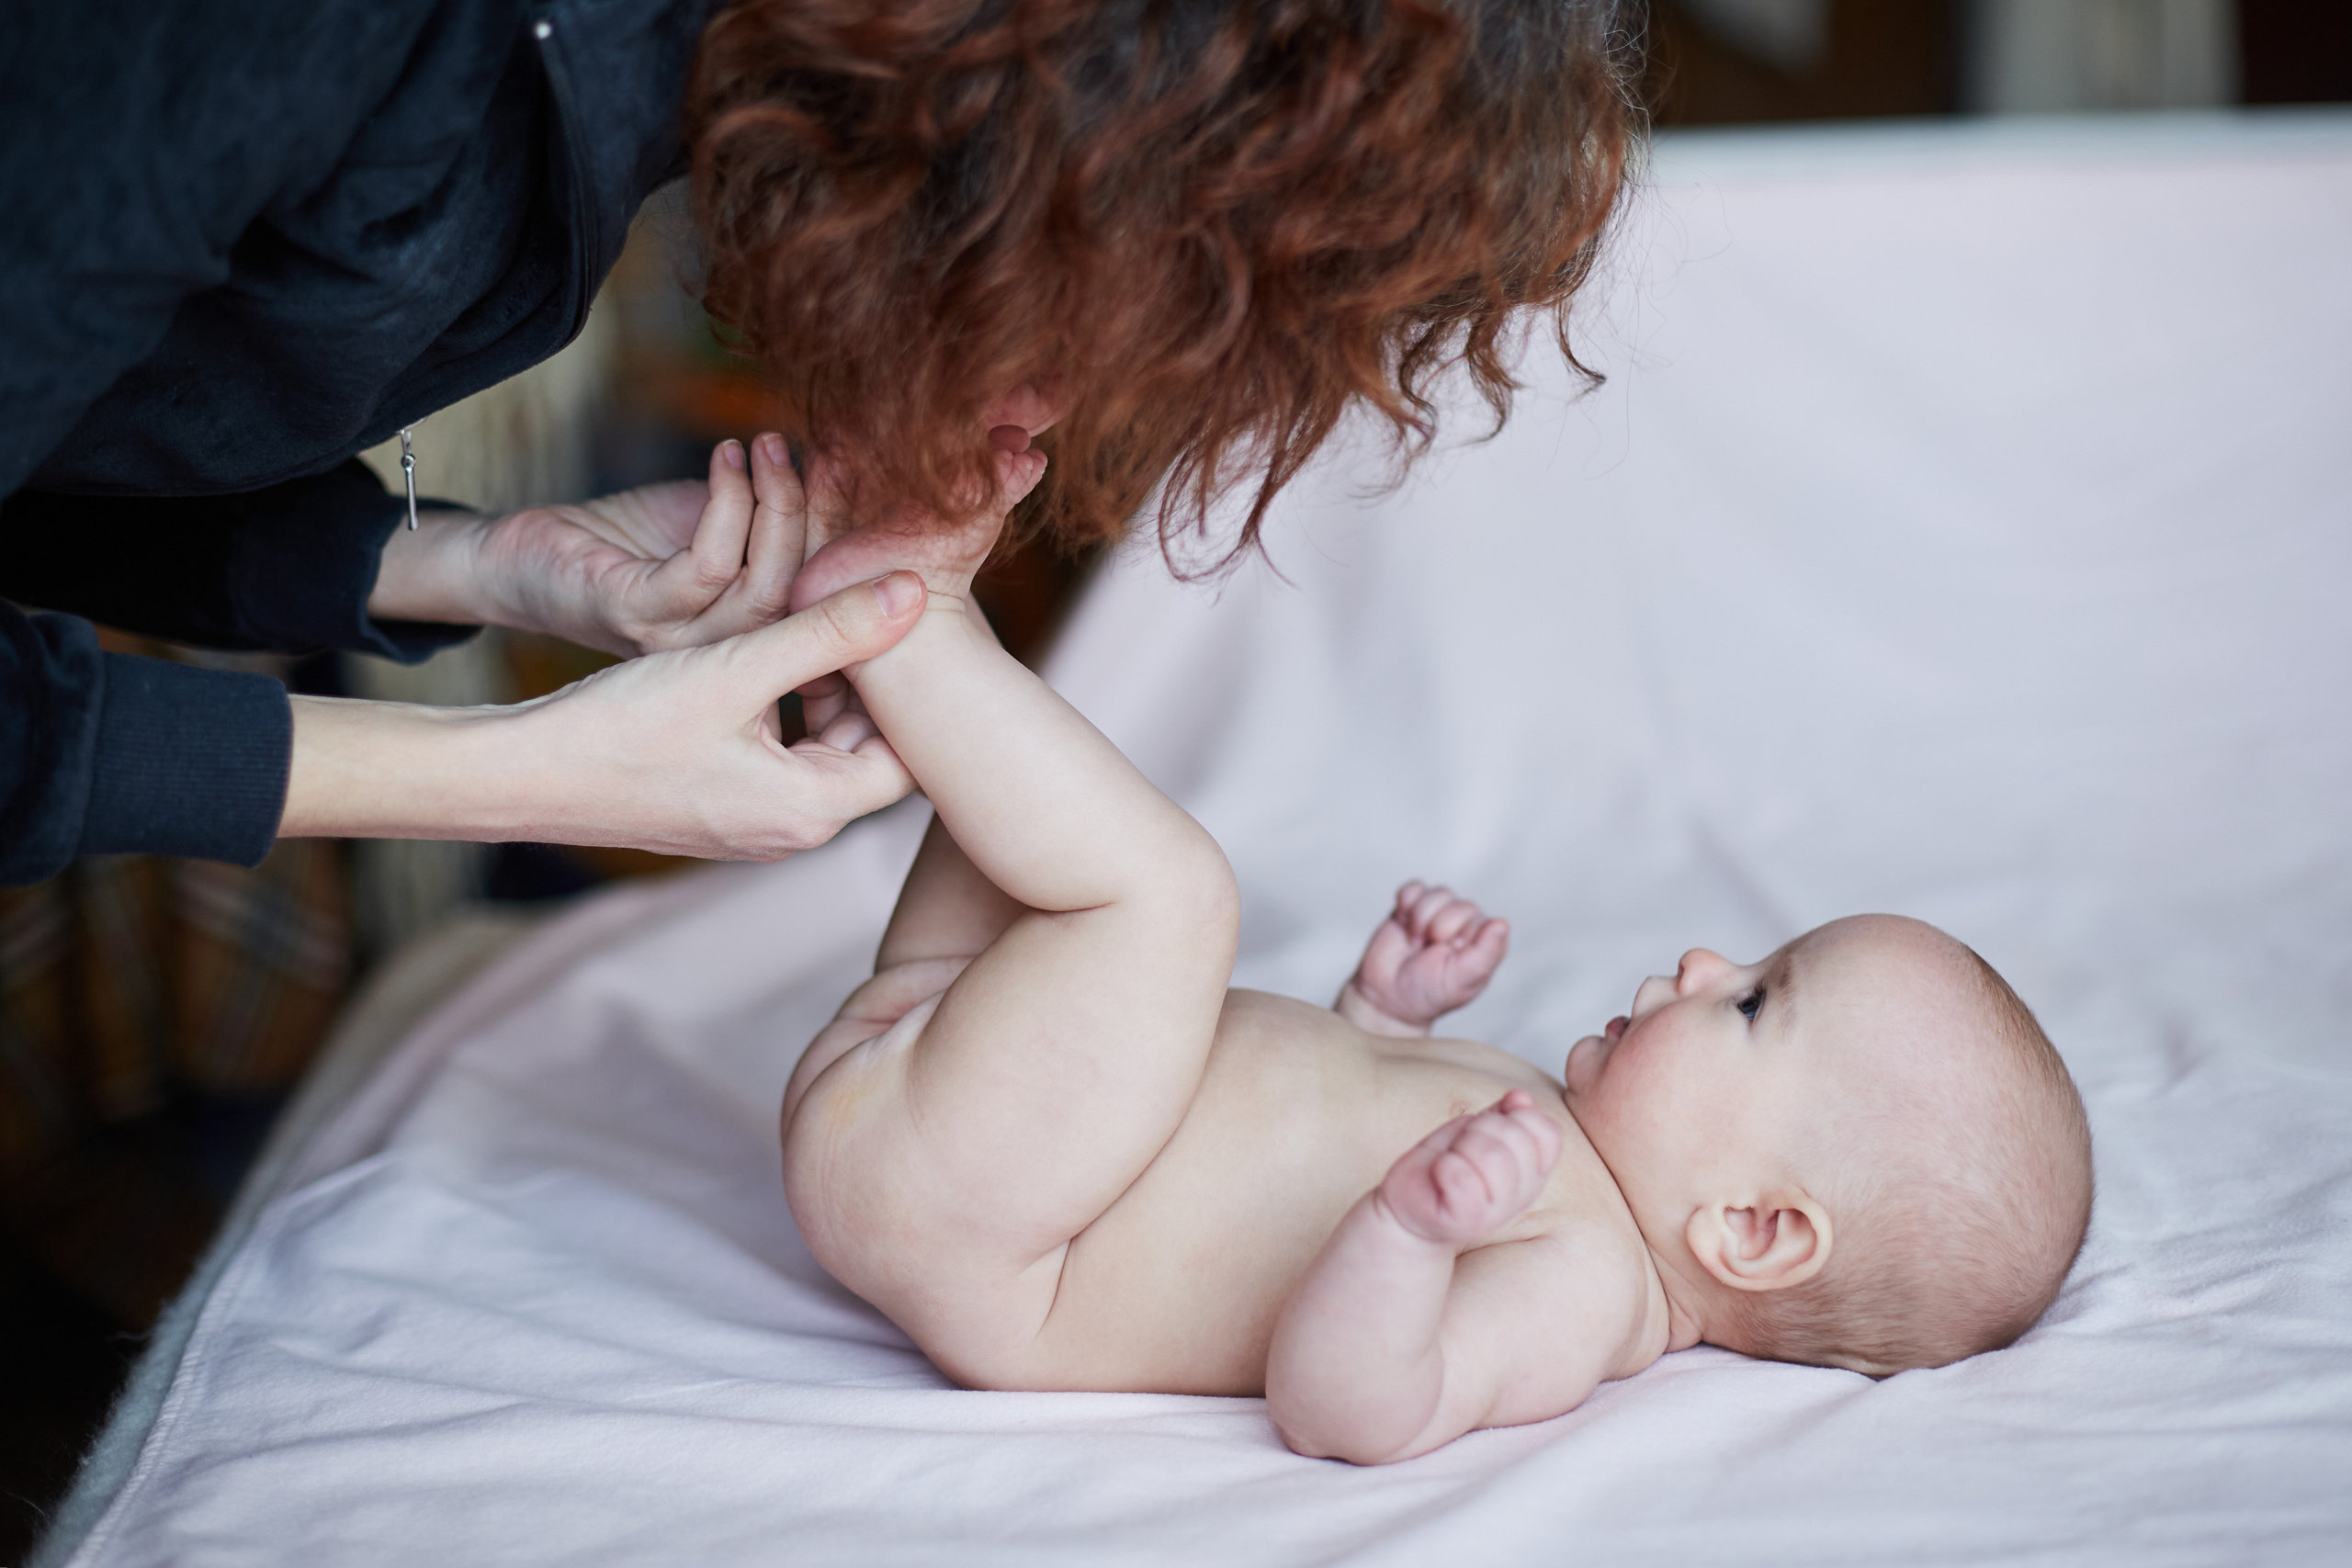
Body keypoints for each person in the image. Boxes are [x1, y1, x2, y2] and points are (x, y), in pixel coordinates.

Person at [1, 0, 1634, 888]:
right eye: (1146, 314)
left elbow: (49, 443)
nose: (1046, 422)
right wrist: (505, 779)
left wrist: (463, 563)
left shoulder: (655, 89)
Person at [777, 460, 2097, 1462]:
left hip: (994, 1218)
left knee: (1168, 896)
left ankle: (903, 619)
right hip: (951, 1061)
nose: (1703, 957)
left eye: (1756, 999)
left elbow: (1356, 1408)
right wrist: (1376, 1018)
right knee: (1037, 806)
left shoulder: (1586, 1287)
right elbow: (1290, 1124)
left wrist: (1410, 1236)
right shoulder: (1549, 1130)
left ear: (1752, 1231)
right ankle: (882, 671)